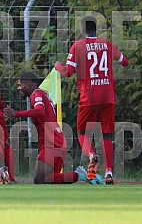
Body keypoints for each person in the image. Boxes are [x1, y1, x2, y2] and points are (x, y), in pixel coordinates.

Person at [55, 16, 129, 185]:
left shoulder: (78, 46)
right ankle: (109, 172)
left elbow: (68, 72)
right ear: (97, 30)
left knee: (82, 132)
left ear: (82, 30)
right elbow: (124, 62)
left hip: (89, 96)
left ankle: (91, 155)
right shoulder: (107, 45)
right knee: (107, 134)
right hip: (108, 96)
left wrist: (57, 66)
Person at [4, 72, 92, 184]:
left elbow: (40, 110)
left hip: (51, 141)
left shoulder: (36, 94)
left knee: (40, 179)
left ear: (29, 85)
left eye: (21, 85)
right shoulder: (41, 94)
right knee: (49, 179)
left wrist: (16, 113)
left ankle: (78, 175)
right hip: (55, 140)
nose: (19, 88)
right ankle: (80, 175)